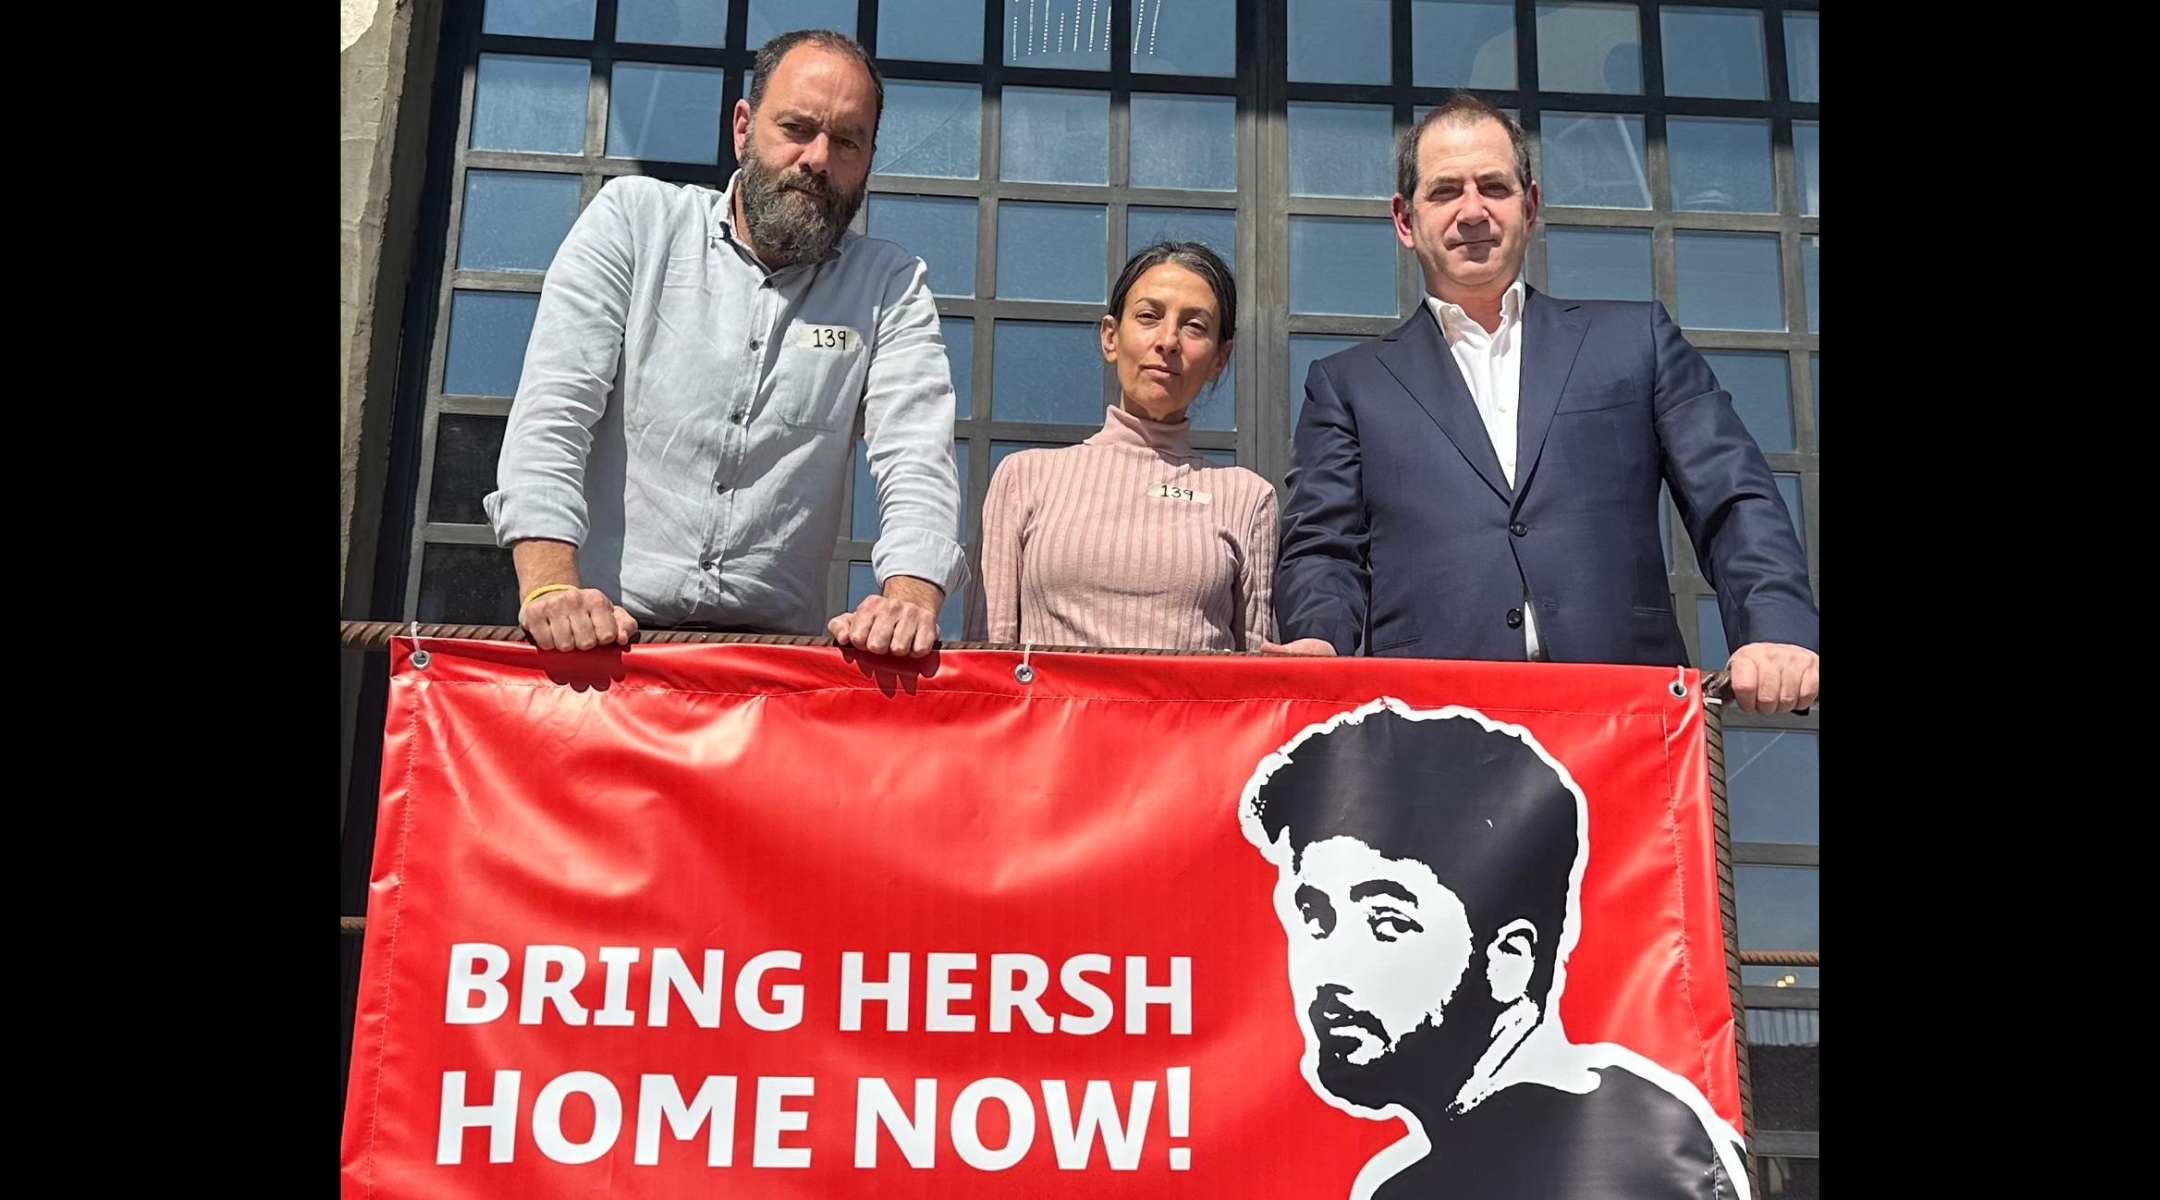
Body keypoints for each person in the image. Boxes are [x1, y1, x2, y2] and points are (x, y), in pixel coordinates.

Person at [1273, 92, 1819, 715]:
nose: (1471, 210)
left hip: (1625, 721)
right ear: (1404, 220)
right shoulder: (1347, 384)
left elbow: (1733, 497)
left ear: (1530, 206)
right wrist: (1318, 641)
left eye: (1494, 187)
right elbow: (1324, 546)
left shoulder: (1635, 341)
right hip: (1430, 731)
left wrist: (1775, 627)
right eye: (1445, 190)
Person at [484, 29, 965, 659]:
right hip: (602, 647)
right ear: (742, 128)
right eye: (796, 128)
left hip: (772, 673)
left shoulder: (890, 286)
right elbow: (554, 413)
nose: (818, 158)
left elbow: (917, 457)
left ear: (869, 157)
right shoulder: (633, 222)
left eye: (847, 141)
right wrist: (549, 586)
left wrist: (910, 600)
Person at [1241, 700, 1752, 1200]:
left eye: (1387, 921)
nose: (1327, 969)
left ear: (1510, 960)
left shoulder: (1642, 1160)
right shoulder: (1431, 1178)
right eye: (1315, 918)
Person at [970, 242, 1280, 651]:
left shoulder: (1247, 497)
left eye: (1195, 326)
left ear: (1219, 360)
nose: (1168, 341)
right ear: (1111, 338)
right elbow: (986, 663)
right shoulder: (1025, 477)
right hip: (1052, 715)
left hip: (1190, 717)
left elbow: (1254, 679)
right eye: (1149, 317)